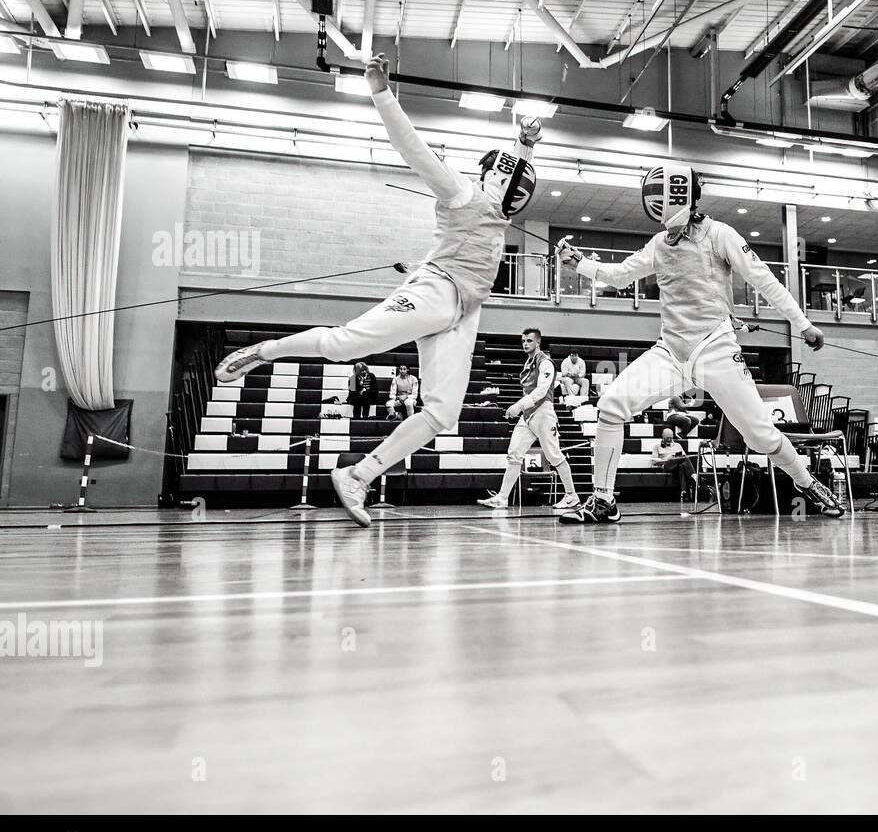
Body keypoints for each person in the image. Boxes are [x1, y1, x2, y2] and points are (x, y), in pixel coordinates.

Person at [214, 53, 542, 527]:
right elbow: (412, 147)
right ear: (494, 174)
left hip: (464, 312)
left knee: (443, 412)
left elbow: (516, 173)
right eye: (512, 177)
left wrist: (526, 142)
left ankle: (359, 475)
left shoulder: (499, 210)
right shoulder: (462, 192)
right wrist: (381, 91)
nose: (517, 191)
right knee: (347, 344)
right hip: (436, 291)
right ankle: (267, 350)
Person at [554, 161, 844, 523]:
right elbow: (618, 275)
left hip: (716, 350)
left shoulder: (720, 234)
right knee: (611, 406)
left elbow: (763, 279)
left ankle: (807, 483)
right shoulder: (659, 244)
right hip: (670, 353)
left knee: (761, 437)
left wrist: (802, 324)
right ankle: (603, 500)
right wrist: (578, 262)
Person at [477, 328, 580, 511]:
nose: (525, 344)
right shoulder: (528, 362)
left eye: (529, 341)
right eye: (523, 341)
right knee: (514, 452)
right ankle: (502, 498)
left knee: (553, 455)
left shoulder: (545, 362)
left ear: (537, 342)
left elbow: (541, 391)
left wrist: (518, 405)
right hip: (528, 416)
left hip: (543, 412)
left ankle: (572, 496)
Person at [652, 427, 695, 499]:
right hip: (666, 465)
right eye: (667, 438)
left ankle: (683, 492)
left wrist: (676, 457)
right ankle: (694, 476)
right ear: (663, 437)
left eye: (670, 438)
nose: (669, 440)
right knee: (682, 459)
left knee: (681, 466)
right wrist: (667, 458)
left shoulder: (678, 445)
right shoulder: (657, 446)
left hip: (677, 466)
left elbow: (684, 458)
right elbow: (654, 461)